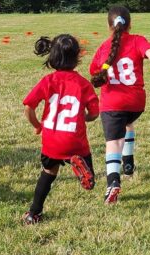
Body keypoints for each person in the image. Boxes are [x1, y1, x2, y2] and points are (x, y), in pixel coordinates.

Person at [88, 6, 150, 204]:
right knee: (127, 124)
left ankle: (112, 181)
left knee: (113, 142)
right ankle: (128, 163)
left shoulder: (104, 47)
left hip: (112, 104)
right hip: (136, 103)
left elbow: (94, 72)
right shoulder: (137, 40)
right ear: (130, 24)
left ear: (108, 25)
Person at [21, 34, 99, 224]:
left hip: (51, 140)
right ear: (78, 57)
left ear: (52, 56)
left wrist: (37, 126)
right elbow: (95, 113)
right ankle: (81, 164)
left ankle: (34, 213)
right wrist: (84, 117)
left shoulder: (48, 81)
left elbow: (29, 107)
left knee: (47, 174)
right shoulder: (83, 84)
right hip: (75, 140)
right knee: (89, 175)